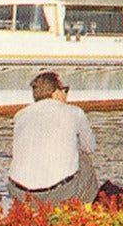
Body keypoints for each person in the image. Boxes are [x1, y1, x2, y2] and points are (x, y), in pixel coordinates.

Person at [7, 71, 98, 204]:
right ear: (55, 93)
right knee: (84, 160)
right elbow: (90, 147)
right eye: (65, 90)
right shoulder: (74, 112)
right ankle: (85, 212)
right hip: (58, 193)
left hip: (19, 192)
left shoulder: (20, 115)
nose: (67, 95)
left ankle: (27, 210)